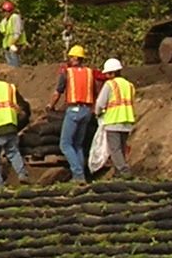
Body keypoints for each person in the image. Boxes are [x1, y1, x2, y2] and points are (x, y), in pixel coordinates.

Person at [53, 44, 99, 184]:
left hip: (74, 110)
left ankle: (78, 175)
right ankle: (82, 176)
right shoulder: (90, 73)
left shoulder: (67, 73)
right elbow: (95, 91)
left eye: (70, 57)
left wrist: (51, 105)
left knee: (65, 144)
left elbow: (58, 92)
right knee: (78, 145)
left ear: (74, 58)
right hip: (87, 111)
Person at [94, 58, 136, 177]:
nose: (106, 76)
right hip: (127, 121)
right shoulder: (129, 85)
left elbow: (100, 103)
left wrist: (97, 113)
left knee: (114, 149)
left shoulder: (110, 84)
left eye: (108, 73)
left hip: (113, 120)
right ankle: (118, 174)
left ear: (113, 72)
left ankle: (124, 171)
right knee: (121, 149)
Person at [0, 0, 27, 67]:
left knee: (15, 63)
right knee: (10, 64)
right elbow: (3, 31)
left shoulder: (15, 17)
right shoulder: (4, 21)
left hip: (15, 43)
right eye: (4, 11)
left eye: (8, 11)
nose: (6, 13)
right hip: (7, 45)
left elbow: (17, 32)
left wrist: (13, 43)